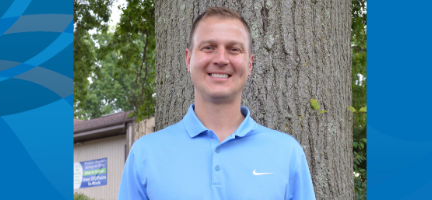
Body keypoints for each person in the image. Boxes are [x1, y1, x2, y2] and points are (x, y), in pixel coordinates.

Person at [118, 7, 315, 200]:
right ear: (188, 60)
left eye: (234, 49)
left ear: (250, 64)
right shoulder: (144, 155)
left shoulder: (287, 153)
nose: (221, 59)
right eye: (208, 47)